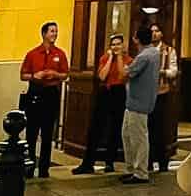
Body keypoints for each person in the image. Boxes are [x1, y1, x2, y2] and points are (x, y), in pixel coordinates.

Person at [18, 21, 69, 178]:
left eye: (56, 31)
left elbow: (65, 74)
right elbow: (23, 75)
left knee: (47, 133)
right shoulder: (32, 54)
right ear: (44, 34)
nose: (55, 34)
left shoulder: (60, 54)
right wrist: (35, 76)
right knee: (31, 132)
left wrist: (55, 74)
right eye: (52, 31)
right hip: (35, 92)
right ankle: (29, 166)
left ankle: (44, 169)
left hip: (51, 93)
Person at [73, 35, 129, 174]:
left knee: (115, 128)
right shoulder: (104, 58)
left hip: (119, 92)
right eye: (113, 44)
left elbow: (122, 76)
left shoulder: (128, 59)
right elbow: (102, 76)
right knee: (96, 127)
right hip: (105, 92)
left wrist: (119, 57)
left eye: (118, 44)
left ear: (123, 46)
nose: (115, 47)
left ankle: (110, 162)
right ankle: (88, 163)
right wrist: (110, 58)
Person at [119, 27, 161, 183]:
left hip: (138, 102)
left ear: (136, 40)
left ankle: (141, 172)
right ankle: (131, 168)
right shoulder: (154, 52)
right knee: (127, 135)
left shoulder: (144, 56)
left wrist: (121, 59)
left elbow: (125, 74)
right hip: (136, 102)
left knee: (138, 138)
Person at [146, 22, 179, 174]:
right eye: (152, 31)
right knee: (147, 128)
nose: (154, 34)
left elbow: (174, 71)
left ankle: (162, 162)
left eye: (157, 31)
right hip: (146, 94)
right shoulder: (145, 50)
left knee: (161, 130)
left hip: (162, 93)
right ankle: (148, 161)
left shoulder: (169, 51)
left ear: (161, 34)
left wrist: (162, 72)